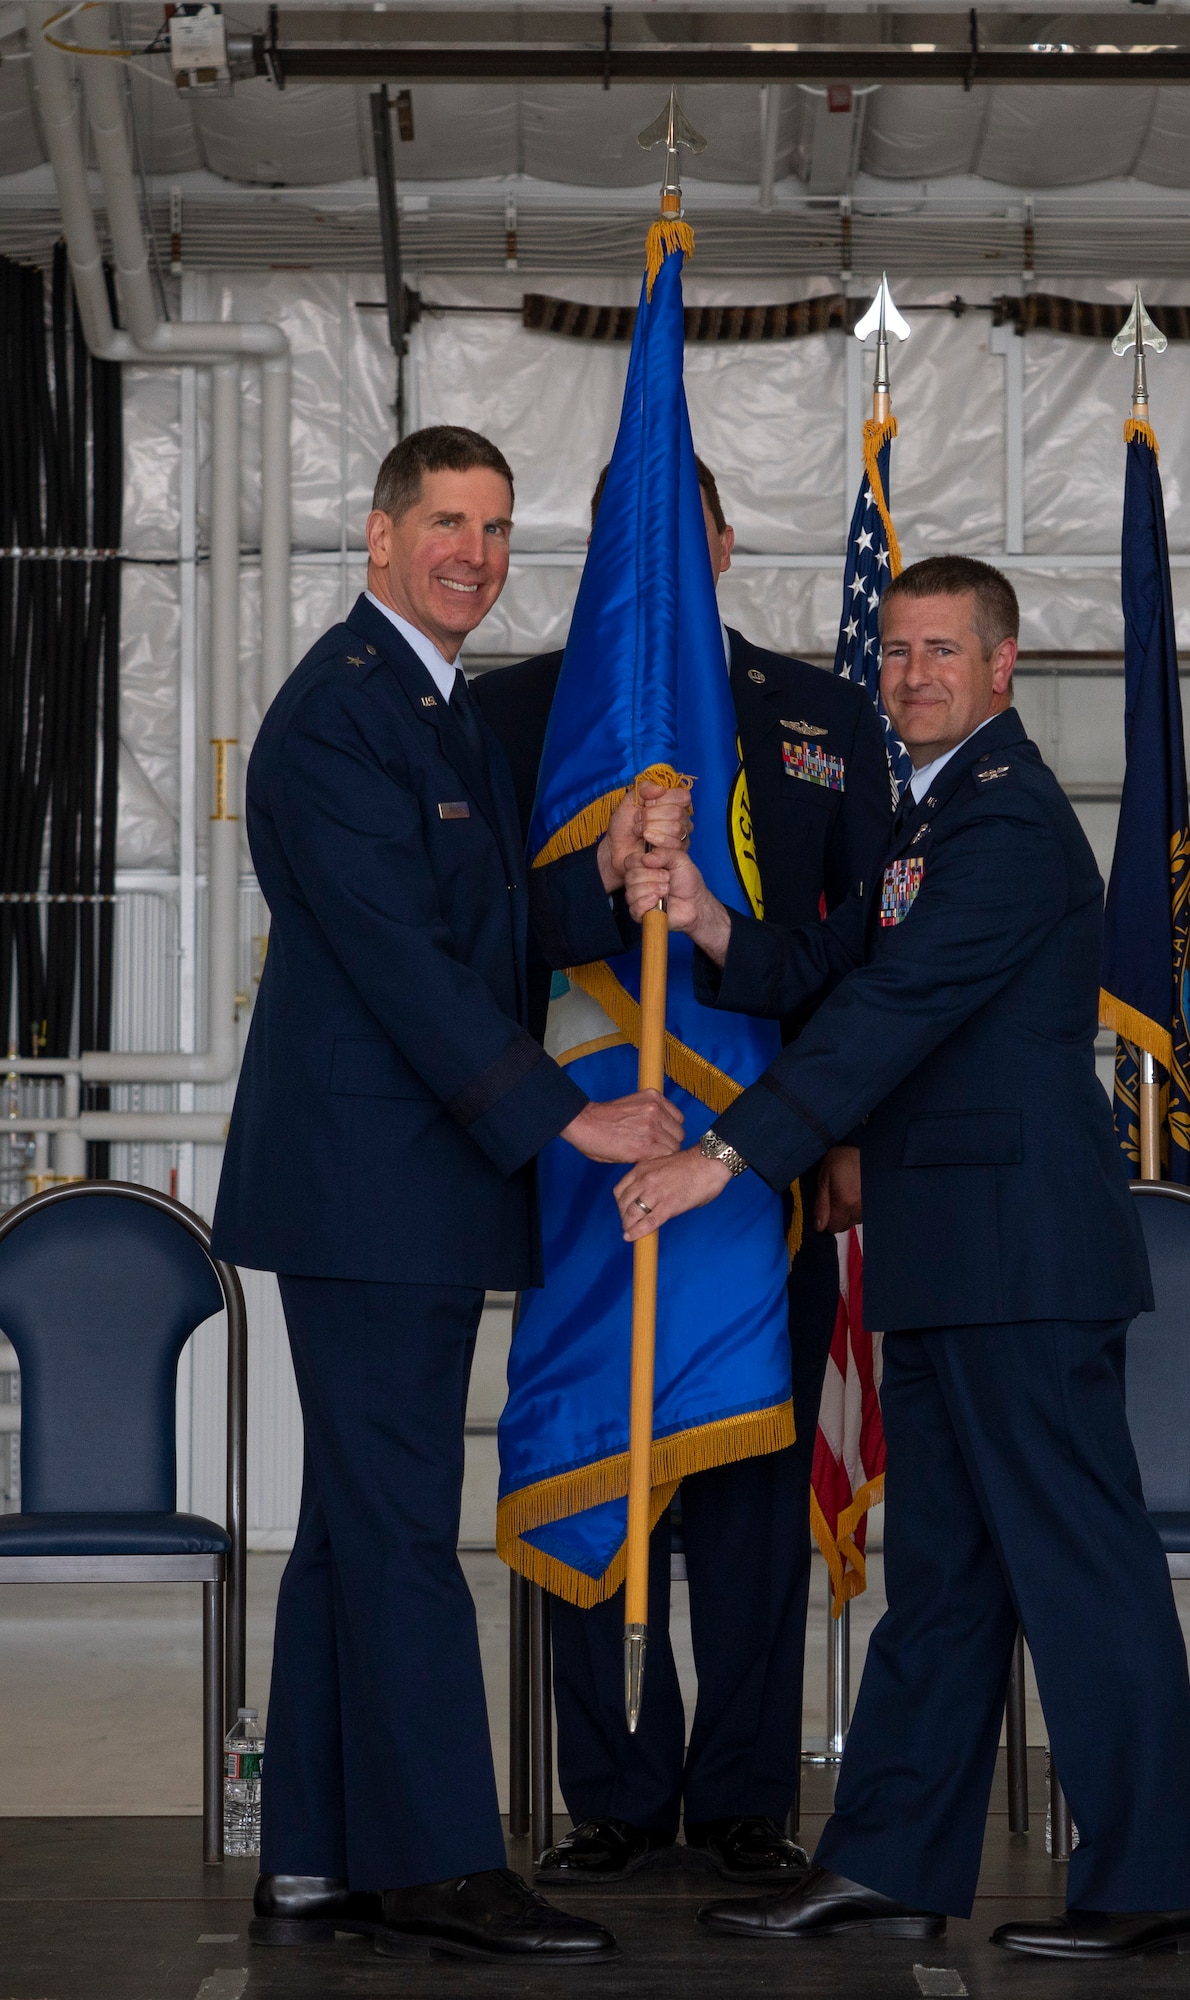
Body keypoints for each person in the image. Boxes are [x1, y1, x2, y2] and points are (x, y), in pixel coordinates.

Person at [613, 555, 1190, 1962]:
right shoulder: (925, 821)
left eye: (940, 652)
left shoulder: (1005, 826)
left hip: (1021, 1260)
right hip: (953, 1258)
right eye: (892, 653)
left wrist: (728, 1154)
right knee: (944, 1581)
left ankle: (1153, 1881)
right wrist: (705, 919)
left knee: (1079, 1573)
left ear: (1003, 666)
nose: (907, 677)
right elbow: (829, 967)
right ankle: (889, 1862)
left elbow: (890, 1013)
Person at [210, 425, 687, 1966]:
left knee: (359, 1531)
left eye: (493, 525)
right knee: (405, 1529)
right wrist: (570, 1121)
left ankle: (317, 1856)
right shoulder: (339, 715)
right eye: (446, 523)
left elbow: (476, 920)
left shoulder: (439, 705)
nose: (473, 550)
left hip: (397, 1187)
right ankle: (436, 1866)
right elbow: (403, 970)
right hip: (365, 1189)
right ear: (377, 535)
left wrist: (600, 875)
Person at [473, 457, 894, 1889]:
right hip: (578, 1161)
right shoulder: (516, 713)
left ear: (719, 538)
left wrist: (831, 1135)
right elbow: (472, 940)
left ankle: (739, 1798)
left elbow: (854, 956)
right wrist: (591, 880)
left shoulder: (818, 714)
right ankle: (607, 1794)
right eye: (624, 533)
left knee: (748, 1497)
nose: (657, 551)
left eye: (680, 523)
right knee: (591, 1450)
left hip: (752, 1158)